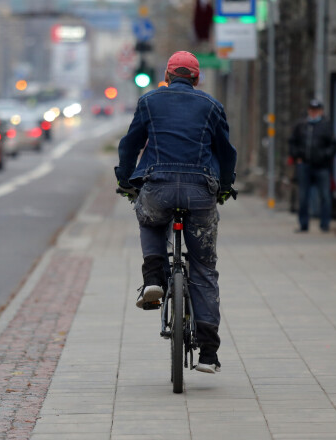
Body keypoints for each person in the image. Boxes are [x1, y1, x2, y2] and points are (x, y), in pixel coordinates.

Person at [115, 51, 237, 374]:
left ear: (167, 77)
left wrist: (125, 179)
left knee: (149, 218)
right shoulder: (211, 106)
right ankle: (208, 352)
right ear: (197, 79)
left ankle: (154, 277)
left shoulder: (149, 102)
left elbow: (129, 145)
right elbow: (226, 152)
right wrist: (225, 186)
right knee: (204, 268)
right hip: (200, 192)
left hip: (159, 186)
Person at [288, 99, 336, 233]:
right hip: (304, 165)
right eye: (311, 110)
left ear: (321, 111)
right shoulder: (301, 125)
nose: (314, 113)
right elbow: (292, 142)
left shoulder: (326, 126)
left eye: (316, 110)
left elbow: (333, 146)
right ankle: (304, 225)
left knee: (325, 196)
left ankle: (325, 224)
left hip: (322, 167)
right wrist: (297, 156)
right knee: (303, 196)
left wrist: (325, 156)